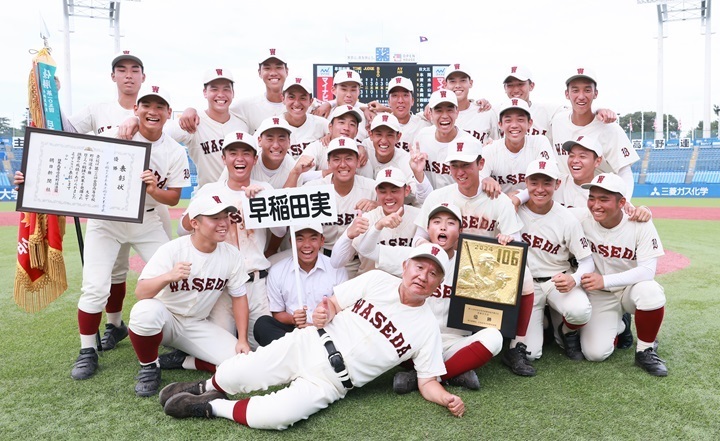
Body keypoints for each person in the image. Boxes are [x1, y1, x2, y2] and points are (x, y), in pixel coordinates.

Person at [159, 244, 466, 430]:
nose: (423, 276)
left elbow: (427, 381)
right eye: (419, 266)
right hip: (310, 343)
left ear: (438, 285)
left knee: (277, 417)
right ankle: (206, 386)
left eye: (433, 273)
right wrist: (325, 312)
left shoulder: (427, 328)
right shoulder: (377, 280)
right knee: (238, 370)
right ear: (406, 266)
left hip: (333, 383)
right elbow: (332, 303)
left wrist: (446, 398)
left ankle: (209, 406)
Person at [72, 85, 189, 380]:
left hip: (146, 218)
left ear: (168, 114)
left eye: (160, 106)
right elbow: (75, 157)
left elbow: (174, 197)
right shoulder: (116, 134)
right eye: (146, 105)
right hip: (106, 219)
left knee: (172, 278)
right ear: (135, 110)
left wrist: (154, 189)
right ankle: (88, 350)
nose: (153, 111)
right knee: (96, 287)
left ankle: (181, 340)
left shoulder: (173, 150)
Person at [413, 136, 537, 376]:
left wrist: (506, 243)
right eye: (455, 165)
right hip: (446, 264)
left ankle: (516, 346)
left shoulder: (498, 200)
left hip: (482, 269)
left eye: (466, 165)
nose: (460, 171)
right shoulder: (438, 196)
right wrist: (442, 252)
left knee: (526, 277)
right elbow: (416, 240)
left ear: (481, 164)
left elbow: (518, 243)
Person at [128, 194, 250, 396]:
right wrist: (168, 276)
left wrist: (243, 339)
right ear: (195, 223)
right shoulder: (172, 250)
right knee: (144, 312)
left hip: (196, 324)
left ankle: (184, 361)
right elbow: (141, 292)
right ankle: (149, 366)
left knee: (242, 365)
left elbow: (239, 297)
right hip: (165, 320)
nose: (223, 223)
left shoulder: (231, 255)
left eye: (226, 217)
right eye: (215, 218)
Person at [178, 131, 285, 350]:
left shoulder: (265, 189)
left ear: (255, 159)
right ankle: (185, 357)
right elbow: (182, 229)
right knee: (225, 349)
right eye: (233, 152)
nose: (240, 158)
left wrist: (262, 202)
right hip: (221, 284)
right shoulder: (210, 191)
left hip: (256, 282)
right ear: (223, 158)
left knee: (263, 347)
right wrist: (205, 209)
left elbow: (281, 231)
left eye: (246, 153)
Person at [391, 203, 503, 393]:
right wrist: (376, 227)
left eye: (450, 223)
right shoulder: (413, 257)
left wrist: (507, 246)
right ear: (428, 229)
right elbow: (367, 250)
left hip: (456, 342)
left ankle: (425, 378)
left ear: (460, 231)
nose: (442, 227)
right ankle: (455, 372)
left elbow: (512, 279)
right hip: (418, 340)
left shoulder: (474, 262)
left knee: (494, 337)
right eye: (436, 222)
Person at [578, 173, 667, 376]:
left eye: (604, 199)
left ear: (622, 203)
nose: (595, 205)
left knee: (650, 291)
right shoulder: (582, 219)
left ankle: (645, 349)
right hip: (600, 294)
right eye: (592, 198)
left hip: (629, 290)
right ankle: (620, 325)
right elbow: (554, 213)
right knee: (595, 353)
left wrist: (604, 280)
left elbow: (647, 270)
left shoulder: (640, 224)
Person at [517, 160, 593, 361]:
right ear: (526, 183)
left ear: (557, 185)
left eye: (547, 183)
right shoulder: (513, 211)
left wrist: (574, 279)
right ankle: (546, 322)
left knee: (580, 311)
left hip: (556, 281)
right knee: (530, 354)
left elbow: (587, 261)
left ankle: (567, 331)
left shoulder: (567, 219)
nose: (540, 189)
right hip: (527, 285)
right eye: (534, 182)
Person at [550, 67, 639, 198]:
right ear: (567, 94)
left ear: (595, 93)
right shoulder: (557, 121)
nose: (581, 96)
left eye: (587, 90)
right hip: (564, 201)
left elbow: (624, 172)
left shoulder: (610, 129)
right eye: (575, 90)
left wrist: (625, 202)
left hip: (598, 202)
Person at [254, 224, 348, 346]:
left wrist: (325, 317)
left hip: (327, 330)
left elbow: (344, 310)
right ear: (291, 242)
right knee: (263, 324)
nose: (307, 245)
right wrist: (293, 319)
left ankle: (296, 354)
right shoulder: (277, 271)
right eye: (300, 239)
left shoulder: (336, 268)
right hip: (293, 331)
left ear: (322, 241)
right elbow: (277, 313)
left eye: (313, 239)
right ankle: (299, 351)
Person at [330, 166, 420, 274]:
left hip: (406, 286)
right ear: (376, 191)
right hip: (371, 285)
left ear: (406, 190)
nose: (388, 196)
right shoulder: (366, 219)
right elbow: (336, 263)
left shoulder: (419, 216)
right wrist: (348, 235)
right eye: (383, 191)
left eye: (394, 191)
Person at [179, 48, 288, 135]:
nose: (273, 73)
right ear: (259, 72)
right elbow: (218, 111)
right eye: (267, 68)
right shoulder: (246, 106)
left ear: (286, 71)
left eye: (278, 67)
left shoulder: (301, 107)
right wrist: (191, 110)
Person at [479, 98, 557, 198]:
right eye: (508, 120)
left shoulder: (540, 142)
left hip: (533, 206)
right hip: (498, 207)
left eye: (520, 120)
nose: (514, 125)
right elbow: (477, 180)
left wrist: (520, 197)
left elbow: (549, 177)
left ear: (530, 123)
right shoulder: (489, 149)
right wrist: (484, 180)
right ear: (500, 125)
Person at [361, 112, 432, 206]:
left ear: (398, 137)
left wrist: (418, 173)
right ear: (370, 135)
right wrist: (358, 147)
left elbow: (426, 198)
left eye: (389, 135)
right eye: (378, 134)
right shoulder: (364, 147)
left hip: (400, 210)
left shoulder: (405, 160)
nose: (383, 140)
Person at [414, 88, 477, 190]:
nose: (444, 116)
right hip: (428, 201)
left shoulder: (470, 142)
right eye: (439, 110)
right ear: (430, 113)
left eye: (449, 110)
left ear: (457, 112)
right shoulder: (422, 136)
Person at [443, 63, 499, 143]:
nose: (458, 85)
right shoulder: (438, 115)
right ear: (445, 84)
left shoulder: (486, 112)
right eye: (452, 81)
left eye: (463, 80)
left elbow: (496, 145)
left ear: (471, 83)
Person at [281, 77, 329, 158]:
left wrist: (330, 135)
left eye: (302, 98)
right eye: (291, 97)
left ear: (311, 101)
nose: (296, 103)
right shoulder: (273, 124)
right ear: (283, 99)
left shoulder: (321, 123)